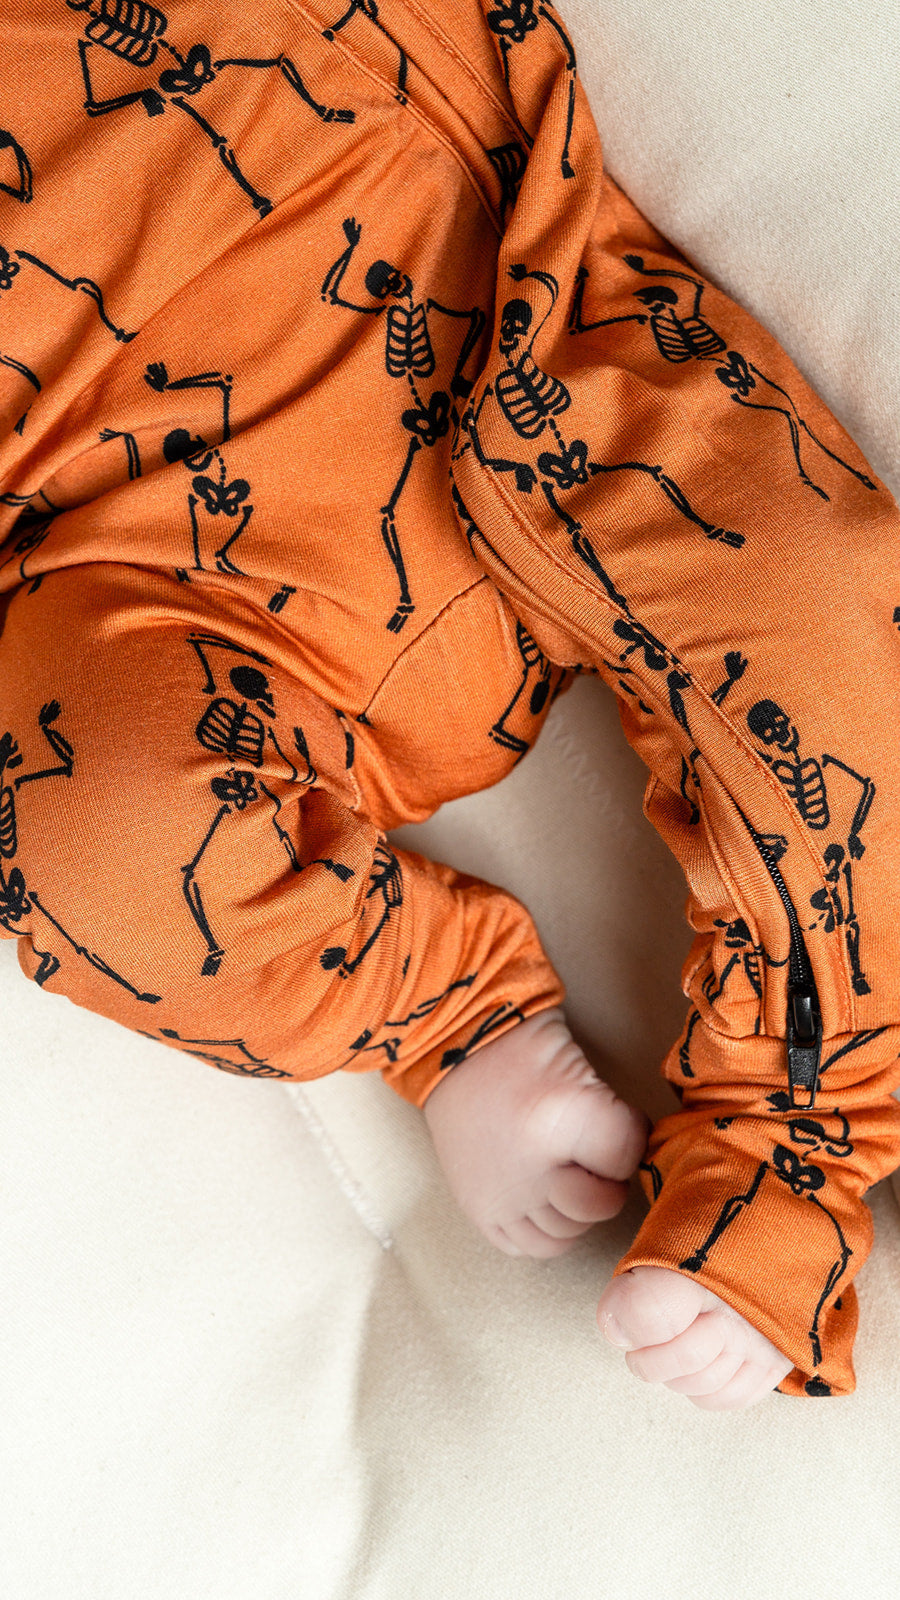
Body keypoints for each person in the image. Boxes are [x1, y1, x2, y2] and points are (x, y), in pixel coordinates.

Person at [2, 0, 898, 1408]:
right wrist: (442, 1022)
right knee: (93, 834)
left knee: (805, 592)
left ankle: (795, 1140)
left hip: (481, 255)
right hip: (160, 554)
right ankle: (454, 1020)